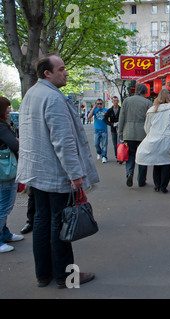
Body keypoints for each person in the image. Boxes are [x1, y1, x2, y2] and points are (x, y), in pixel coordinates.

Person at [16, 53, 99, 287]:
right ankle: (64, 275)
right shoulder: (52, 98)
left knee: (42, 222)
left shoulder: (32, 94)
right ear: (47, 73)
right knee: (59, 223)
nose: (65, 72)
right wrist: (76, 174)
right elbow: (63, 141)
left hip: (38, 171)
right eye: (61, 69)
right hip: (54, 172)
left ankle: (44, 274)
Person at [135, 89, 170, 193]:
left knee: (157, 162)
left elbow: (147, 128)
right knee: (167, 163)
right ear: (169, 97)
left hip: (154, 139)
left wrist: (151, 135)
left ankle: (157, 185)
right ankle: (163, 186)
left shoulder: (152, 110)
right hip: (168, 140)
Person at [0, 97, 24, 253]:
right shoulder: (1, 126)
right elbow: (14, 145)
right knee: (4, 206)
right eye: (7, 107)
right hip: (6, 172)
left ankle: (5, 234)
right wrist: (18, 141)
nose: (9, 110)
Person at [118, 83, 152, 187]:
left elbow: (121, 117)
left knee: (130, 155)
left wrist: (120, 132)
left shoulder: (127, 101)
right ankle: (141, 180)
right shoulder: (148, 102)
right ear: (145, 91)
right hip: (143, 133)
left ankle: (129, 173)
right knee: (143, 156)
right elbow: (150, 120)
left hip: (129, 132)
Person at [88, 98, 108, 163]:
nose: (99, 105)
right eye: (98, 104)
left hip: (104, 129)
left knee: (104, 144)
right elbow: (89, 116)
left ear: (102, 104)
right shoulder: (95, 110)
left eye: (100, 103)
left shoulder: (106, 110)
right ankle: (99, 152)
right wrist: (93, 108)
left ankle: (104, 156)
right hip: (97, 130)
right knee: (96, 144)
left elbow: (110, 116)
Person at [104, 96, 122, 163]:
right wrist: (111, 124)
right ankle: (117, 156)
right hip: (113, 129)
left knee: (120, 143)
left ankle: (121, 156)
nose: (116, 102)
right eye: (114, 101)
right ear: (112, 101)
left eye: (117, 100)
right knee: (115, 144)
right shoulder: (110, 110)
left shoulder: (121, 109)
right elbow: (105, 119)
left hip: (120, 129)